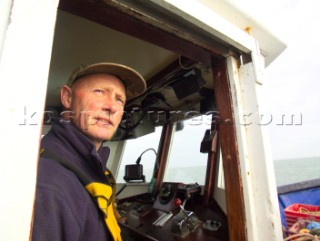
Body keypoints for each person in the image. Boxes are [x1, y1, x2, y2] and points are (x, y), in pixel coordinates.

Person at [31, 63, 146, 241]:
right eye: (100, 91)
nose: (112, 107)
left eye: (119, 99)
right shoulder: (49, 185)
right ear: (67, 97)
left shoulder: (89, 166)